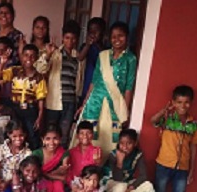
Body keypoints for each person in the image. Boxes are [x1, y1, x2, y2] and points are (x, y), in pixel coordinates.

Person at [77, 21, 137, 157]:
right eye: (113, 36)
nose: (117, 39)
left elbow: (129, 86)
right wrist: (84, 103)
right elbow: (94, 80)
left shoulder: (131, 59)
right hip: (95, 101)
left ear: (127, 37)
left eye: (120, 36)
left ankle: (103, 168)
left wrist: (125, 109)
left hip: (115, 104)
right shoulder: (102, 55)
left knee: (110, 137)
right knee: (90, 134)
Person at [150, 85, 197, 192]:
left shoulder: (194, 125)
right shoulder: (167, 119)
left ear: (191, 103)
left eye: (186, 102)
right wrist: (164, 110)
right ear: (173, 102)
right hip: (163, 165)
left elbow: (193, 148)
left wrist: (191, 170)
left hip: (182, 168)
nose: (183, 106)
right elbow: (153, 121)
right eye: (179, 102)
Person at [103, 128, 161, 192]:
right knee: (121, 187)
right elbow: (117, 178)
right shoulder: (113, 155)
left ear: (135, 143)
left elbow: (143, 176)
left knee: (147, 185)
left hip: (126, 184)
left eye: (129, 143)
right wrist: (120, 162)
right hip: (110, 182)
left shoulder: (138, 154)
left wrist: (130, 188)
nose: (124, 147)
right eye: (122, 143)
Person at [0, 44, 47, 150]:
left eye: (32, 56)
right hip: (15, 108)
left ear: (37, 58)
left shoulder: (39, 77)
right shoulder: (15, 71)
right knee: (14, 133)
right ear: (22, 56)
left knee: (32, 134)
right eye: (26, 55)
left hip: (30, 110)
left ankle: (32, 159)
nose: (29, 59)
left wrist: (39, 117)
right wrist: (2, 64)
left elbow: (41, 99)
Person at [43, 20, 81, 146]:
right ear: (62, 37)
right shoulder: (54, 53)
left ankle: (61, 161)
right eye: (67, 38)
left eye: (74, 38)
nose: (70, 41)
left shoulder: (78, 57)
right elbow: (40, 69)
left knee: (64, 134)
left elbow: (78, 81)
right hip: (54, 101)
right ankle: (48, 161)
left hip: (70, 102)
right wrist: (47, 55)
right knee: (50, 132)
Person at [31, 125, 70, 192]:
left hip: (56, 181)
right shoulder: (36, 154)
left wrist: (45, 174)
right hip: (40, 181)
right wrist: (54, 174)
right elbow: (35, 174)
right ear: (43, 140)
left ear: (60, 139)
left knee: (58, 185)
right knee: (45, 185)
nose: (51, 142)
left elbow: (64, 176)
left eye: (55, 138)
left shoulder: (64, 153)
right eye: (48, 138)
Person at [77, 17, 107, 101]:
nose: (93, 33)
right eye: (90, 31)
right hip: (85, 85)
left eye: (96, 30)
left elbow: (105, 61)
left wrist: (98, 45)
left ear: (102, 32)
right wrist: (87, 45)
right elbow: (80, 58)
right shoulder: (85, 46)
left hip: (98, 86)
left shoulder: (105, 49)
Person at [64, 120, 102, 185]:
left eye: (88, 133)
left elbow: (97, 171)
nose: (85, 136)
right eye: (81, 133)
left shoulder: (97, 150)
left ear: (92, 135)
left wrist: (97, 162)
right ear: (77, 136)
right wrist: (72, 185)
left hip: (90, 185)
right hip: (74, 184)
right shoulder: (70, 152)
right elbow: (68, 172)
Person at [0, 2, 23, 66]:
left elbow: (17, 58)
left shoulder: (18, 36)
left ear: (13, 16)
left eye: (7, 13)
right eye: (1, 13)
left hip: (11, 73)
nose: (3, 15)